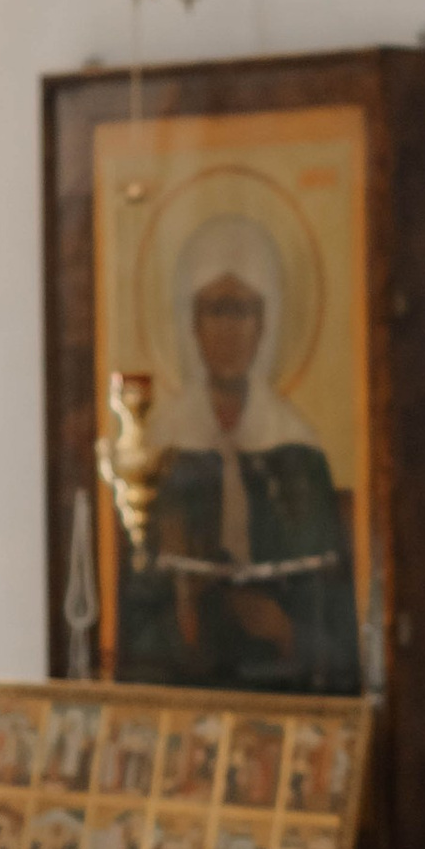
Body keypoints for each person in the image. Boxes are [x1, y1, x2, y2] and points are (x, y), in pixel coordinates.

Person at [120, 213, 362, 692]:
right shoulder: (158, 456)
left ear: (264, 323)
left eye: (243, 310)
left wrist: (285, 630)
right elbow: (134, 619)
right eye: (216, 310)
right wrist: (185, 618)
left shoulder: (299, 452)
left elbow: (337, 623)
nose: (229, 330)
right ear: (192, 321)